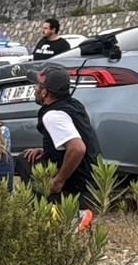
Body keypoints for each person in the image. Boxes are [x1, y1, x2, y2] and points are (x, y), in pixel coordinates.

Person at [19, 67, 101, 201]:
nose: (35, 89)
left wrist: (59, 180)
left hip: (78, 188)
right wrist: (47, 151)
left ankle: (45, 207)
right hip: (92, 182)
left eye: (37, 86)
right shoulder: (74, 105)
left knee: (23, 161)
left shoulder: (53, 115)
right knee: (32, 156)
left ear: (44, 92)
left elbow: (77, 148)